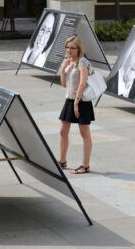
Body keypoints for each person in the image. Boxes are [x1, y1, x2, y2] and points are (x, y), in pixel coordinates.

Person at [58, 36, 95, 174]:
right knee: (63, 131)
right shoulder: (69, 62)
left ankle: (85, 165)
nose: (69, 50)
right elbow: (63, 84)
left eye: (72, 48)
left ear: (79, 49)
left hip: (81, 101)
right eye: (67, 47)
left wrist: (76, 103)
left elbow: (82, 83)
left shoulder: (82, 62)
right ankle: (62, 161)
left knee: (84, 133)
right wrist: (63, 69)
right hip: (69, 100)